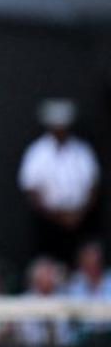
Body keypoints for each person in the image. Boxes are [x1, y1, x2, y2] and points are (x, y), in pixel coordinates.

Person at [19, 98, 101, 264]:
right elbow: (31, 188)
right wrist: (56, 216)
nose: (60, 129)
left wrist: (78, 215)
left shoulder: (82, 151)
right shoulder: (38, 152)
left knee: (83, 258)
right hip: (48, 222)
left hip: (81, 221)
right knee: (48, 262)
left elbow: (93, 185)